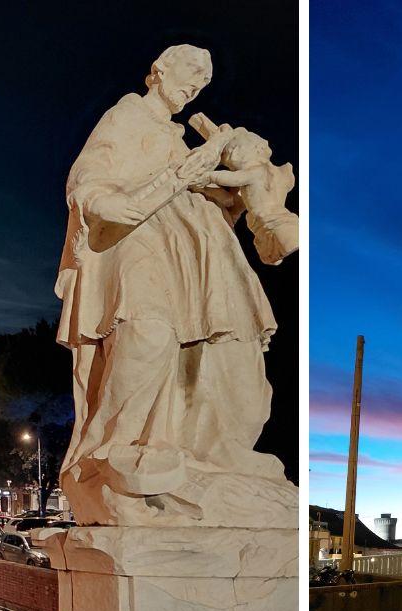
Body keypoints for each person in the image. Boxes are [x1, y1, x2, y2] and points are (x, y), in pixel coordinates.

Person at [55, 46, 287, 522]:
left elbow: (218, 198)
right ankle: (116, 446)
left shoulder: (181, 138)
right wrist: (99, 199)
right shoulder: (127, 115)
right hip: (141, 238)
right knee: (147, 331)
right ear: (159, 71)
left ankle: (217, 447)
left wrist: (238, 189)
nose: (195, 87)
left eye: (203, 83)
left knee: (231, 350)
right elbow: (87, 176)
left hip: (199, 253)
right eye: (190, 75)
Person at [208, 128, 298, 265]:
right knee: (273, 252)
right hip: (275, 221)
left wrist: (208, 175)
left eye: (231, 154)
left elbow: (231, 179)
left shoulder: (256, 172)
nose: (230, 162)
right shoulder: (273, 176)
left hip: (269, 222)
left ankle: (283, 244)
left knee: (275, 245)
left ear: (254, 150)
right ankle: (282, 246)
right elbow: (241, 200)